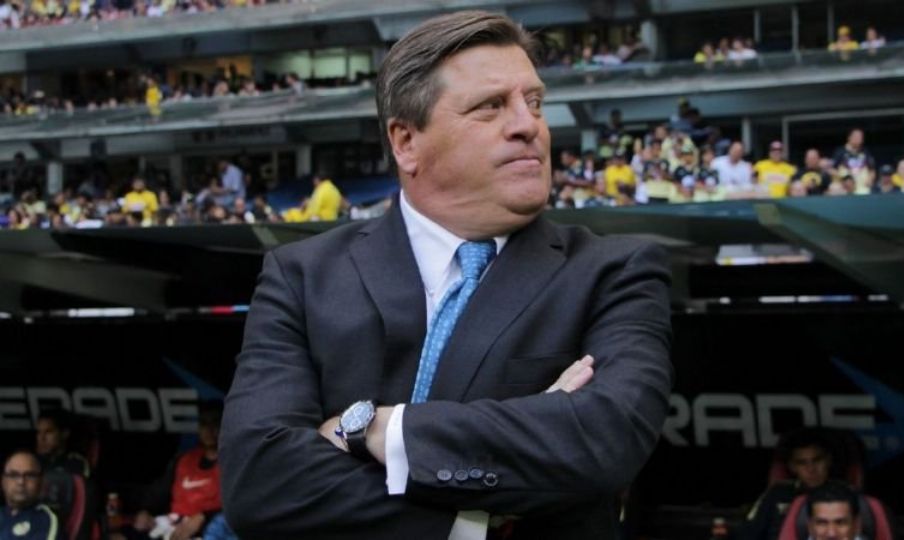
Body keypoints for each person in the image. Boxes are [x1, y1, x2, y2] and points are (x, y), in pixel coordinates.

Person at [220, 10, 673, 540]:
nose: (528, 125)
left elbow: (603, 439)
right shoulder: (302, 275)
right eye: (490, 106)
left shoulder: (614, 272)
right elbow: (259, 481)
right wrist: (472, 522)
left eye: (534, 102)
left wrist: (375, 429)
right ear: (406, 142)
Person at [130, 402, 235, 540]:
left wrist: (205, 517)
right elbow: (156, 494)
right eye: (204, 423)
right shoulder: (183, 460)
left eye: (215, 423)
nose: (209, 429)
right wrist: (145, 511)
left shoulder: (236, 462)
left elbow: (243, 506)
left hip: (213, 532)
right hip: (173, 529)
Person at [736, 431, 834, 540]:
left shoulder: (844, 494)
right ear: (792, 467)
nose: (811, 469)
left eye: (817, 460)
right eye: (802, 463)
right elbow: (747, 533)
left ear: (828, 460)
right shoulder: (777, 494)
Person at [1, 450, 61, 540]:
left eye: (29, 475)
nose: (21, 482)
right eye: (13, 475)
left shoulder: (45, 519)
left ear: (41, 482)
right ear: (3, 481)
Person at [35, 409, 90, 479]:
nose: (41, 438)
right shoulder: (31, 461)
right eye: (39, 432)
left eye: (48, 432)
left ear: (64, 433)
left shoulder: (76, 462)